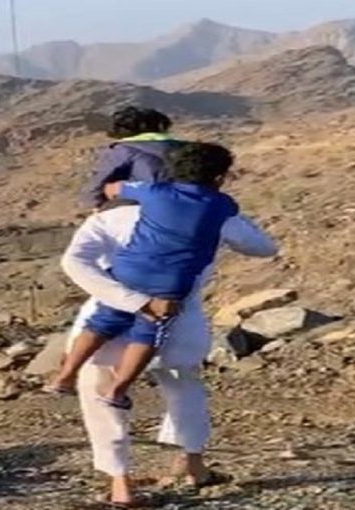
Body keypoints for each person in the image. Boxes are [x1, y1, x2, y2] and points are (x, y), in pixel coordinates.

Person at [60, 175, 277, 507]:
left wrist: (130, 299)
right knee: (184, 388)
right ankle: (193, 465)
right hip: (179, 315)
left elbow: (74, 262)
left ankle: (121, 485)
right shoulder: (212, 214)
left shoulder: (109, 217)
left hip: (108, 314)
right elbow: (264, 248)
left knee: (99, 393)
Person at [48, 143, 240, 410]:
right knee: (149, 333)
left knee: (100, 322)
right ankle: (117, 390)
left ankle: (64, 376)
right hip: (171, 282)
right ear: (219, 178)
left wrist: (119, 193)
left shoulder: (154, 191)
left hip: (128, 270)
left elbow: (113, 188)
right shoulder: (224, 204)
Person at [83, 106, 183, 210]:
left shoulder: (124, 150)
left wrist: (96, 205)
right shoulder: (186, 148)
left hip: (138, 207)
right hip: (186, 207)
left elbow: (98, 183)